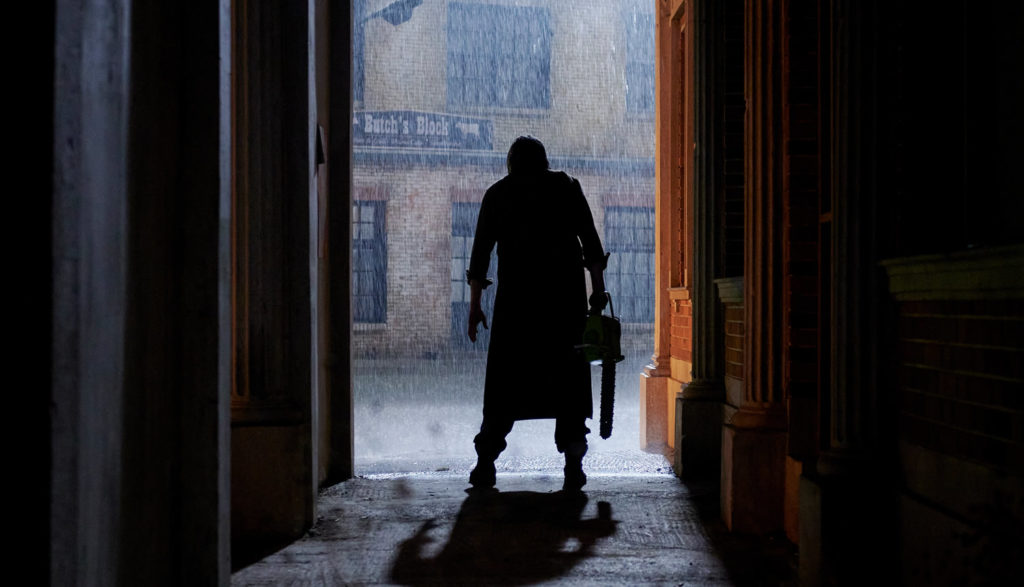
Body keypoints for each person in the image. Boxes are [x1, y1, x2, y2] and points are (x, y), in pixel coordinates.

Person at [465, 135, 608, 492]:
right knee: (568, 387)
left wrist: (474, 307)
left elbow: (480, 255)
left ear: (511, 163)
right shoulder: (566, 188)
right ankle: (573, 463)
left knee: (505, 385)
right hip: (564, 305)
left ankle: (486, 462)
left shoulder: (498, 194)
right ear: (544, 160)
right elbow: (590, 242)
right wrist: (598, 290)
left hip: (517, 308)